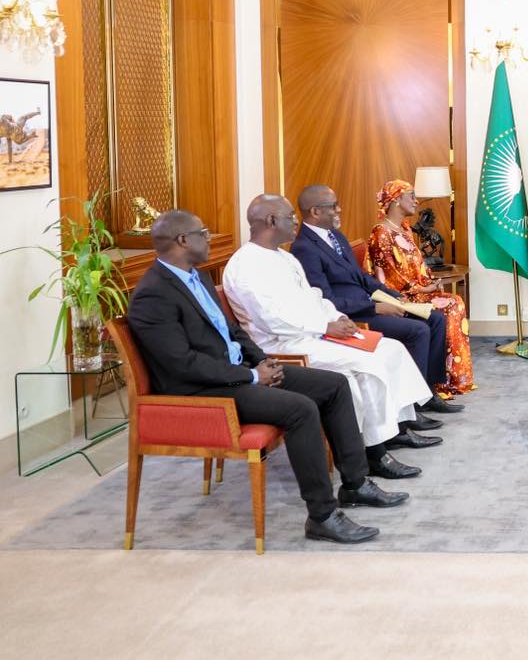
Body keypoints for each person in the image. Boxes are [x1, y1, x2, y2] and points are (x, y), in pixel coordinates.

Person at [127, 210, 406, 544]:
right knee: (301, 409)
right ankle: (322, 516)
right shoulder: (153, 294)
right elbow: (182, 365)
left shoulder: (197, 276)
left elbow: (232, 332)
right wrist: (250, 375)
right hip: (204, 390)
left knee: (334, 384)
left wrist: (263, 361)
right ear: (183, 240)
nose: (210, 238)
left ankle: (356, 484)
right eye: (203, 232)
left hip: (236, 373)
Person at [223, 194, 441, 479]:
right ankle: (374, 452)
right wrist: (325, 326)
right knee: (368, 366)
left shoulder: (285, 257)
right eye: (290, 216)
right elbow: (271, 319)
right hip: (284, 345)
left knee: (391, 349)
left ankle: (397, 429)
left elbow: (314, 296)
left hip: (313, 332)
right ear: (271, 220)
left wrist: (336, 317)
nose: (296, 221)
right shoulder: (246, 265)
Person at [290, 184, 462, 413]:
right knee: (418, 330)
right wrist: (375, 308)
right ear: (315, 211)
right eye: (333, 206)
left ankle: (429, 392)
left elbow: (362, 277)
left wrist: (395, 297)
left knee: (436, 318)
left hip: (372, 302)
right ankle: (412, 404)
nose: (339, 210)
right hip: (354, 315)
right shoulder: (303, 248)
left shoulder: (335, 236)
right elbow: (325, 300)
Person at [368, 179, 475, 397]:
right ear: (396, 200)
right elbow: (389, 277)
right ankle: (443, 381)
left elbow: (418, 266)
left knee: (454, 301)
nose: (416, 201)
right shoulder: (381, 233)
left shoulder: (404, 229)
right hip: (400, 297)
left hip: (417, 291)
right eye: (411, 196)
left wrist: (430, 283)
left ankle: (447, 378)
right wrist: (423, 290)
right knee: (451, 305)